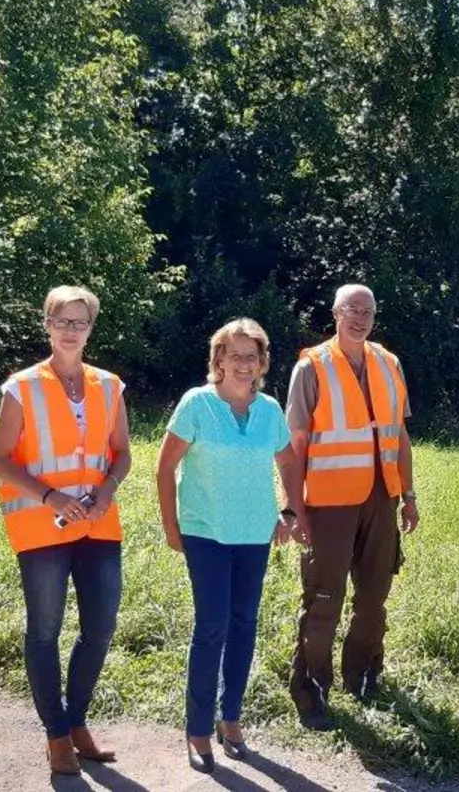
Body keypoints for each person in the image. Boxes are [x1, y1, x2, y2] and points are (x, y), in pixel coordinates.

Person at [0, 285, 131, 776]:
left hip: (97, 523)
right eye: (62, 321)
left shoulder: (109, 385)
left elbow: (122, 453)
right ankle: (56, 734)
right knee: (45, 630)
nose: (71, 330)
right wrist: (50, 496)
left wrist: (107, 489)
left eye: (80, 322)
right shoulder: (22, 387)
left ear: (91, 328)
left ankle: (76, 721)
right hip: (42, 526)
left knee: (101, 626)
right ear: (47, 324)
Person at [155, 318, 310, 774]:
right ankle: (197, 729)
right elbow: (165, 469)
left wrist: (289, 511)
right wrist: (171, 527)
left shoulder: (269, 410)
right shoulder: (197, 404)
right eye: (234, 355)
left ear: (262, 363)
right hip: (205, 532)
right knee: (212, 626)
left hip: (254, 534)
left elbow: (288, 463)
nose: (243, 364)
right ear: (218, 359)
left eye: (252, 356)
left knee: (244, 624)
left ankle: (231, 718)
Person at [285, 283, 419, 731]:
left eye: (368, 311)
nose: (361, 319)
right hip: (329, 503)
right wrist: (293, 508)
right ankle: (311, 691)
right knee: (324, 598)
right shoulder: (312, 367)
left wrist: (409, 496)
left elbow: (400, 435)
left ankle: (363, 678)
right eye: (352, 310)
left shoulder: (389, 363)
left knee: (374, 597)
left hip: (382, 499)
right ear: (336, 313)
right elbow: (294, 445)